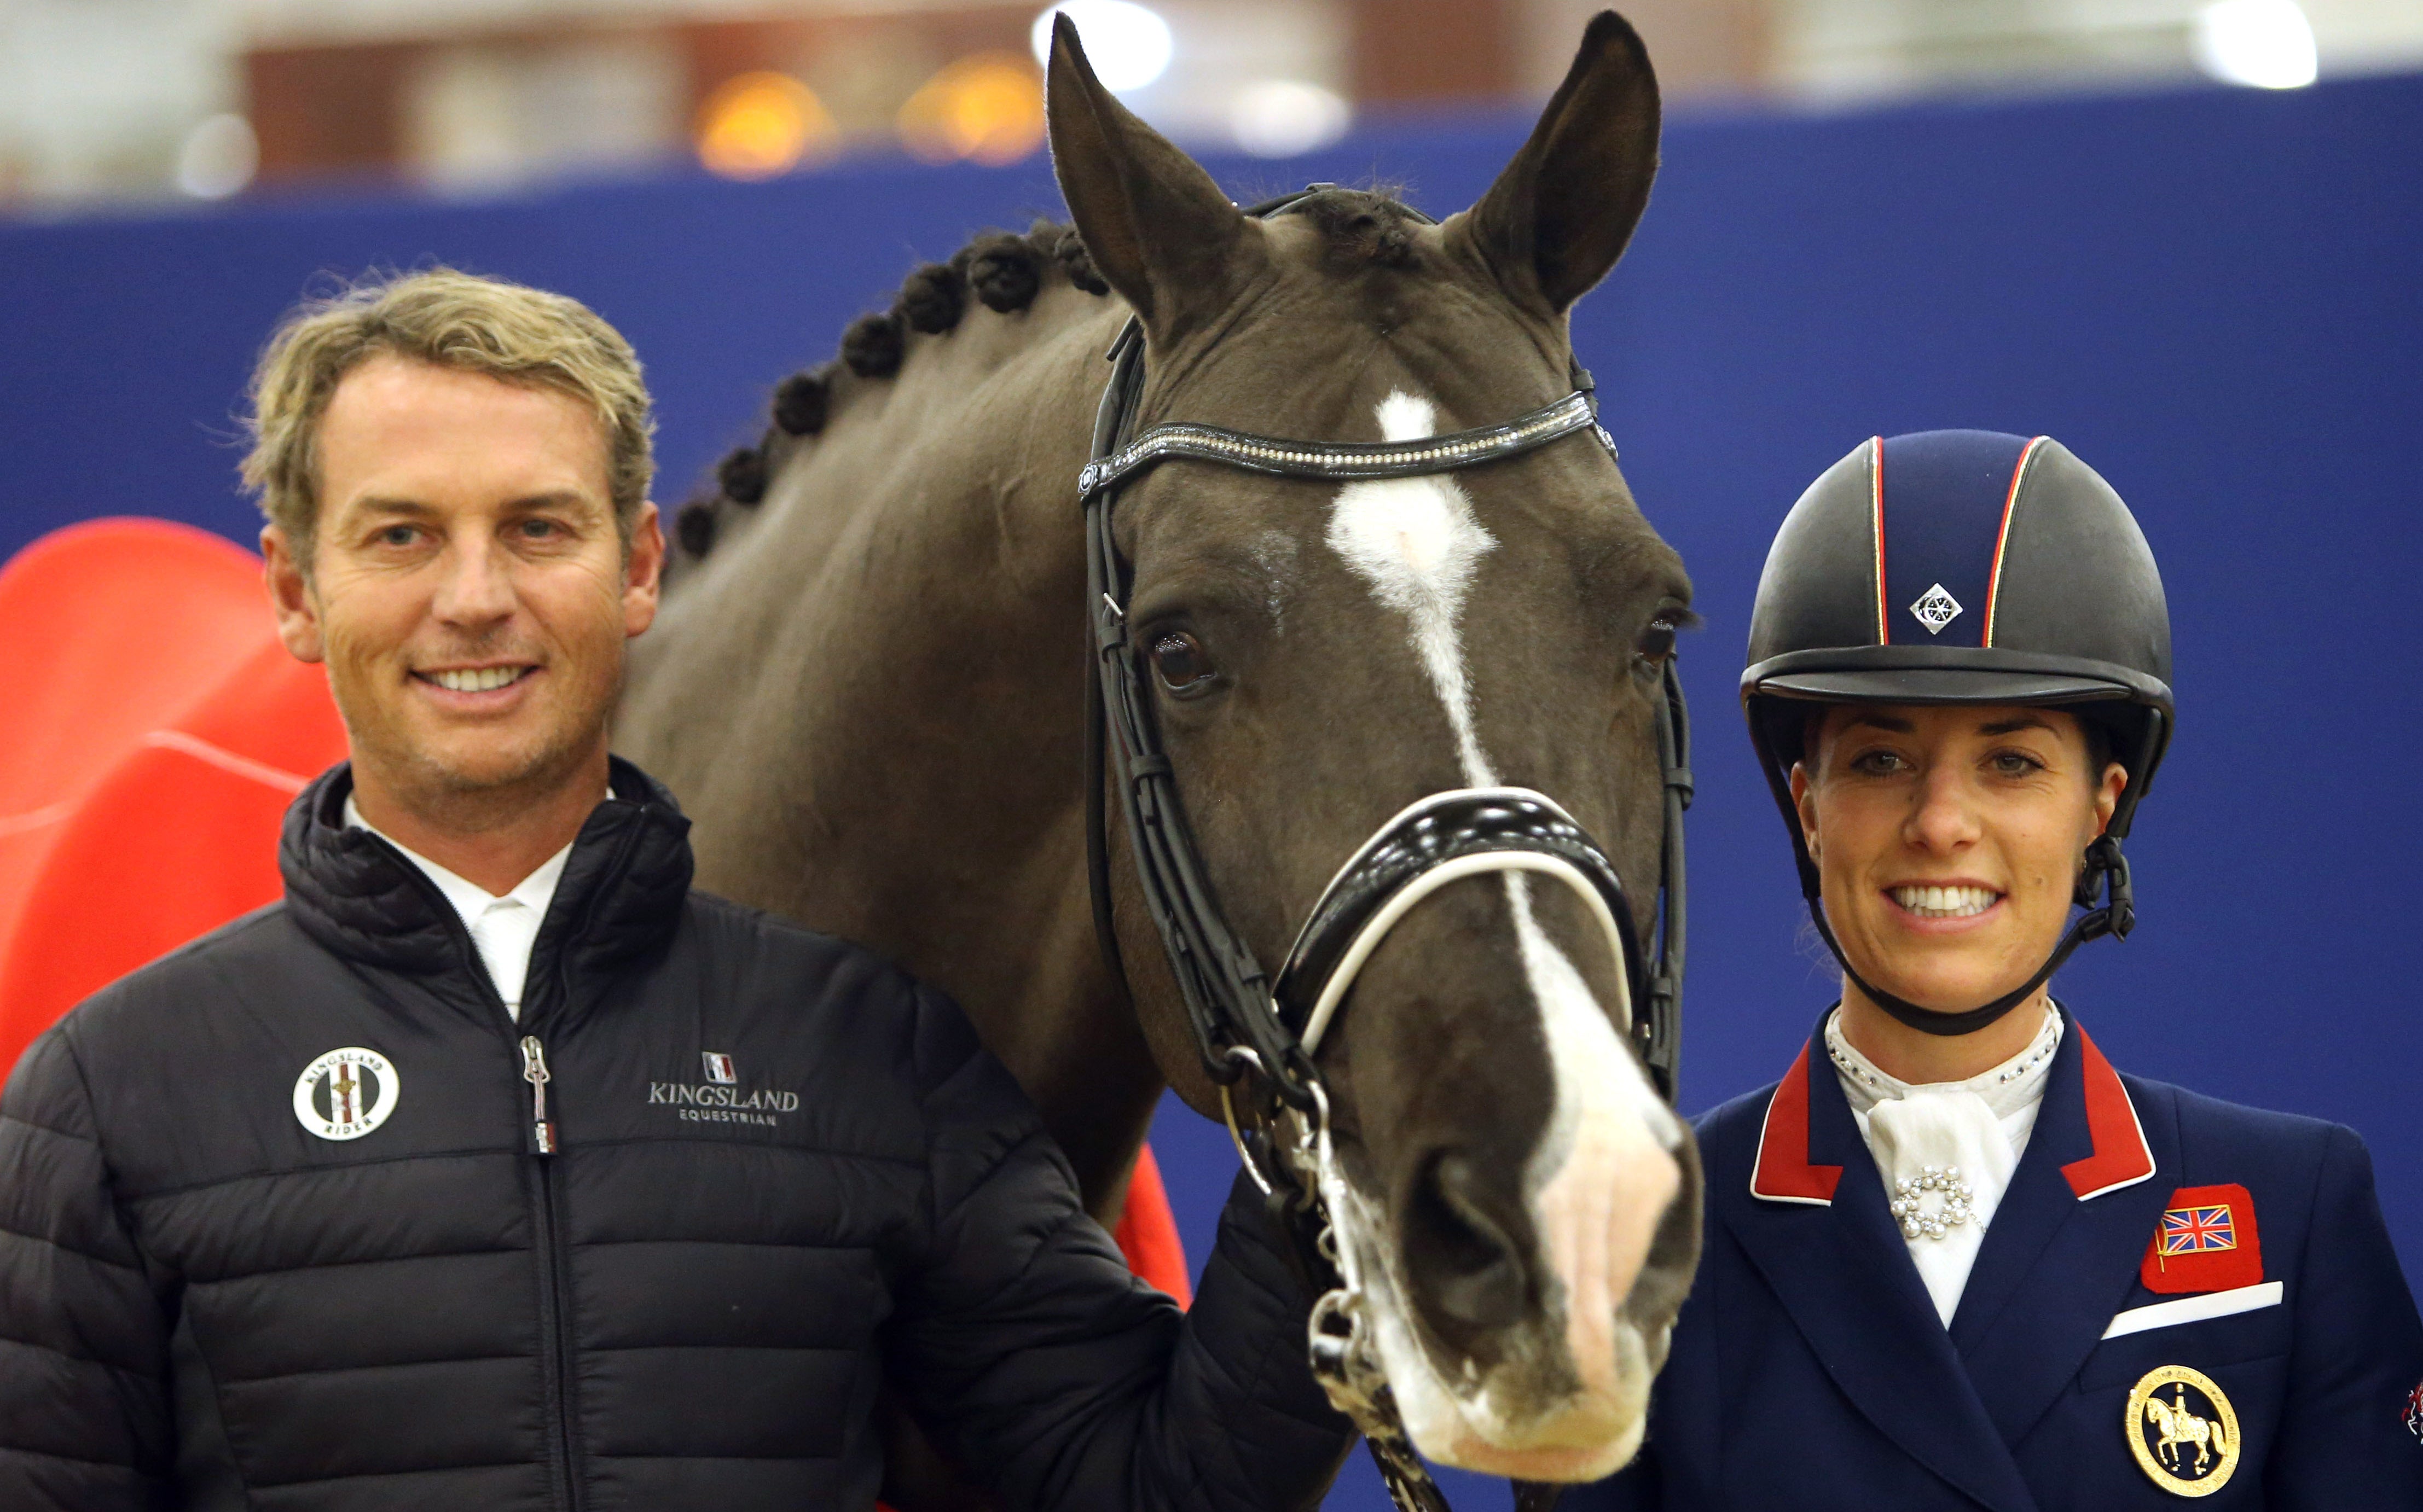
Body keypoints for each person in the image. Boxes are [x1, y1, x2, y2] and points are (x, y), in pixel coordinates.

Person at [0, 269, 1351, 1511]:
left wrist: (1336, 1143)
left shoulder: (875, 1053)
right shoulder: (109, 1099)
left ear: (637, 565)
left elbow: (1152, 1488)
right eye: (403, 536)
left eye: (538, 529)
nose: (475, 598)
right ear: (299, 589)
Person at [1581, 431, 2423, 1508]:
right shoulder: (1645, 1239)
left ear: (2100, 806)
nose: (1942, 823)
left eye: (2012, 761)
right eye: (1881, 759)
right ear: (1807, 807)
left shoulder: (2289, 1207)